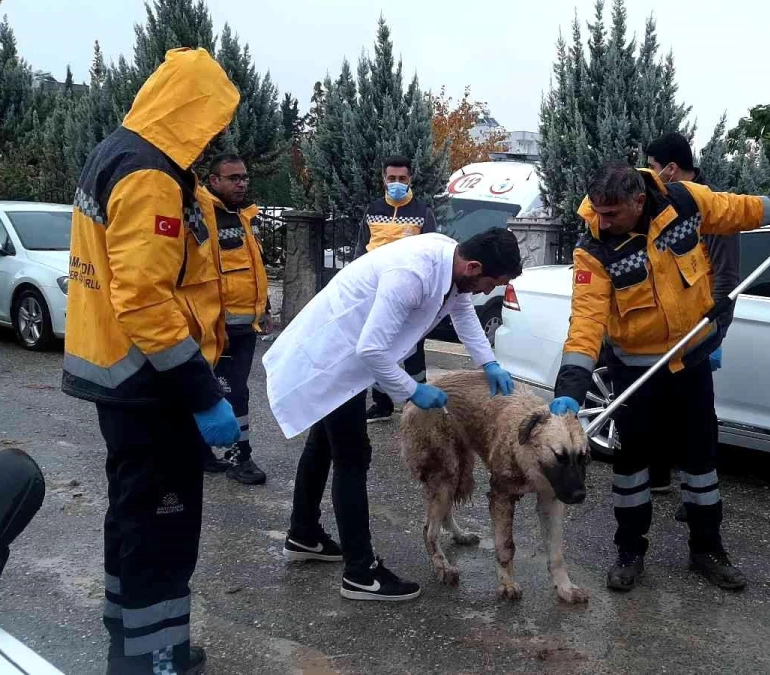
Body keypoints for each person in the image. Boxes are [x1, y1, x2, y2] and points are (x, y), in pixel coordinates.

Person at [548, 164, 770, 593]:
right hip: (636, 368)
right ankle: (630, 551)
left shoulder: (685, 202)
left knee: (700, 459)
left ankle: (706, 549)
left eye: (612, 213)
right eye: (598, 212)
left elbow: (739, 210)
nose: (603, 221)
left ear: (639, 202)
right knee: (632, 464)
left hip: (691, 360)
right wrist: (570, 389)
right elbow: (585, 321)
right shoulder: (594, 250)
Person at [61, 48, 240, 674]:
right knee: (161, 533)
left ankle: (134, 645)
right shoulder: (149, 174)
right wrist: (202, 393)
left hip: (128, 380)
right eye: (212, 120)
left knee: (134, 523)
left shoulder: (123, 152)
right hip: (151, 385)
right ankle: (152, 660)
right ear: (191, 109)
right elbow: (142, 298)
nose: (215, 135)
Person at [264, 227, 522, 601]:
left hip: (345, 359)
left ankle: (303, 534)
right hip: (334, 359)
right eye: (489, 284)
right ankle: (360, 573)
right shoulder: (413, 275)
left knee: (322, 445)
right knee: (352, 457)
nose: (486, 293)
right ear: (474, 266)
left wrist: (489, 363)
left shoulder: (452, 265)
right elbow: (371, 349)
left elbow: (463, 315)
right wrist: (411, 390)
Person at [646, 132, 739, 522]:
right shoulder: (661, 205)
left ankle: (697, 496)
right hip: (667, 329)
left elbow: (726, 278)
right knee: (660, 406)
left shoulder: (709, 209)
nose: (648, 175)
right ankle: (659, 474)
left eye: (651, 168)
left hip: (700, 329)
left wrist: (712, 332)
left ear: (670, 169)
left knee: (696, 416)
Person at [198, 153, 271, 485]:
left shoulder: (242, 216)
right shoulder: (205, 218)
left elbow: (251, 269)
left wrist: (265, 309)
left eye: (244, 177)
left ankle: (199, 449)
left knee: (217, 388)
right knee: (233, 391)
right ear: (213, 181)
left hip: (244, 325)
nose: (241, 183)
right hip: (220, 327)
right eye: (233, 178)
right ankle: (239, 454)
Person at [353, 155, 440, 423]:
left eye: (402, 179)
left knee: (413, 348)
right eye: (392, 179)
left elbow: (432, 254)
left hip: (410, 294)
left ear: (410, 179)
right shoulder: (372, 209)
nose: (397, 183)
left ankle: (420, 405)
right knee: (380, 347)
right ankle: (382, 403)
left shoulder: (423, 212)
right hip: (375, 291)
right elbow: (361, 249)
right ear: (383, 179)